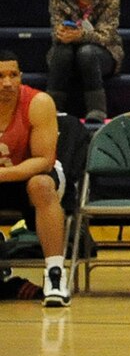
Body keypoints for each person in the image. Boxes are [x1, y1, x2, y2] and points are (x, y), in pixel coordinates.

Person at [0, 51, 69, 308]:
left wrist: (4, 174)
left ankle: (55, 274)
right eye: (0, 76)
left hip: (35, 175)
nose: (7, 83)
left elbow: (44, 159)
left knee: (40, 185)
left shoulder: (38, 102)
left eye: (13, 75)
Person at [46, 0, 122, 122]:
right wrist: (61, 34)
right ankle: (51, 108)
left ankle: (97, 110)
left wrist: (81, 36)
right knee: (62, 52)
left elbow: (106, 36)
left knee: (87, 53)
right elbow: (56, 29)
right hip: (68, 53)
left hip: (103, 53)